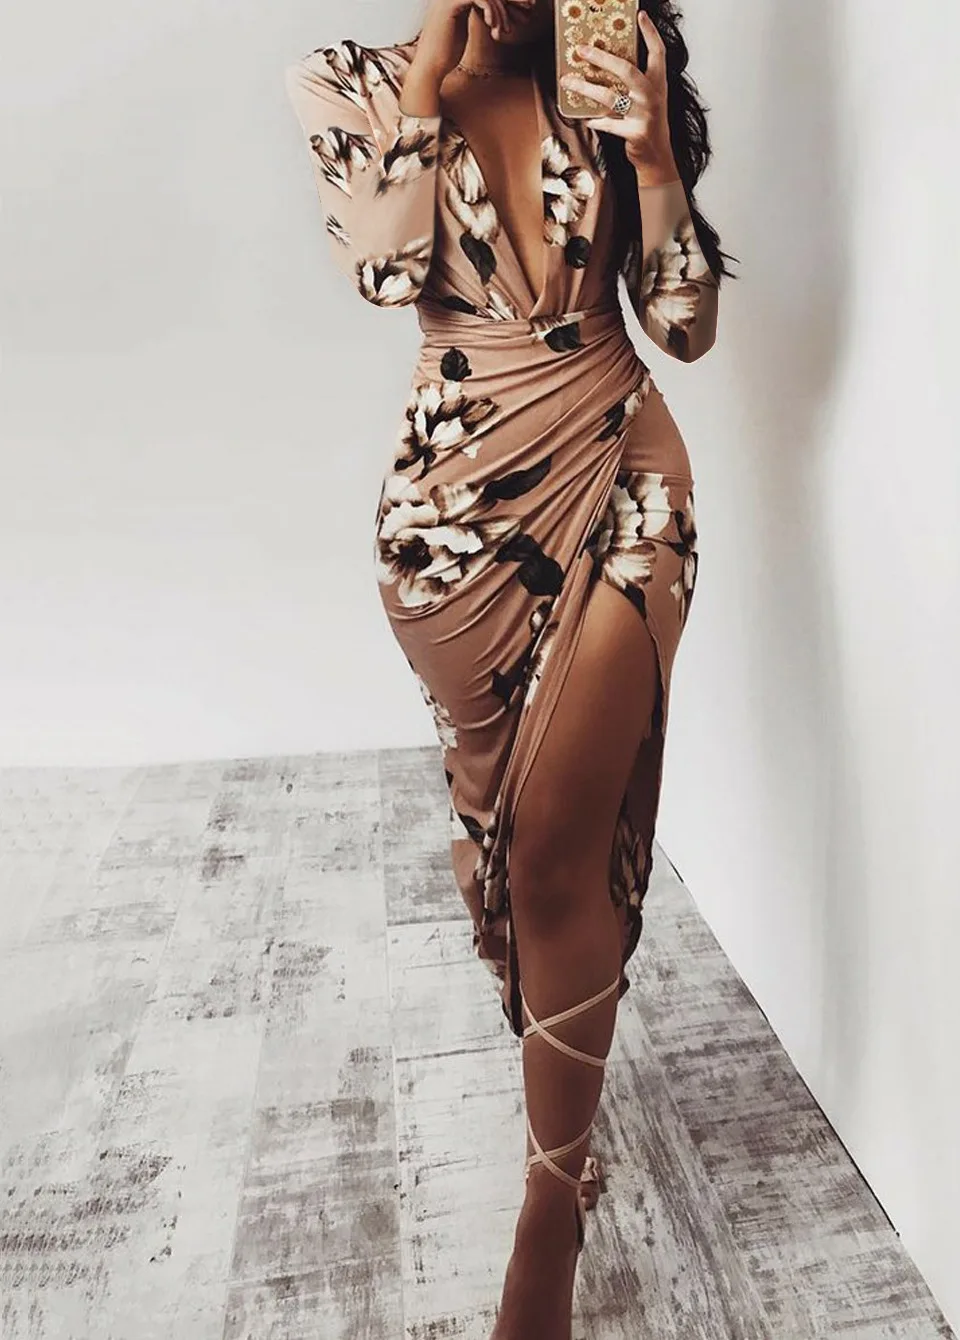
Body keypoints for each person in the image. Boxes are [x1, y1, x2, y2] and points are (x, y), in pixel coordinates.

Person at [284, 2, 732, 1334]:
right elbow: (383, 272)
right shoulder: (350, 82)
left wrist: (654, 160)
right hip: (452, 528)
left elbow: (684, 327)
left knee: (552, 849)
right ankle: (560, 1085)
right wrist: (430, 71)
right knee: (507, 858)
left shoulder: (599, 76)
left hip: (624, 472)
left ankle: (549, 1208)